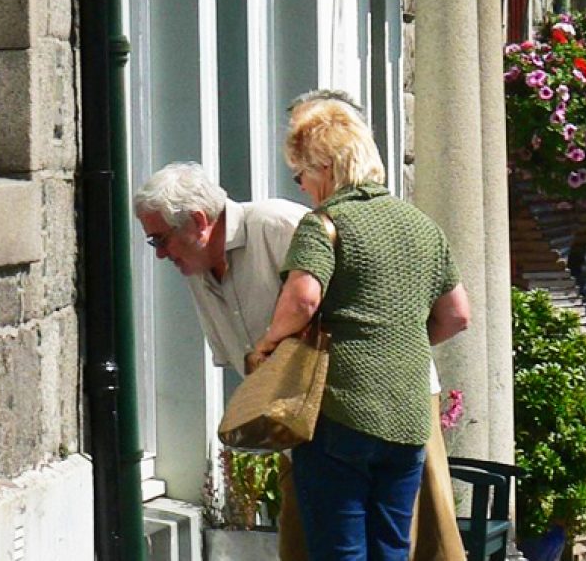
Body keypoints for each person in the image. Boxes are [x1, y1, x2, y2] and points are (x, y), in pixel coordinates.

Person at [251, 93, 472, 560]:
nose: (303, 187)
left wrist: (270, 341)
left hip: (341, 413)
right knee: (391, 548)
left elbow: (304, 298)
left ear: (326, 167)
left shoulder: (326, 224)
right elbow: (457, 315)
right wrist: (400, 337)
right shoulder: (422, 225)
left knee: (340, 550)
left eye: (302, 174)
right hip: (409, 416)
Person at [133, 162, 310, 560]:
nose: (160, 255)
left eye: (161, 240)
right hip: (295, 436)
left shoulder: (277, 224)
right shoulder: (197, 267)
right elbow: (240, 359)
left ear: (198, 221)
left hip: (346, 425)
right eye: (153, 244)